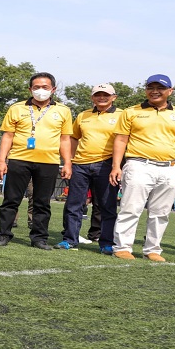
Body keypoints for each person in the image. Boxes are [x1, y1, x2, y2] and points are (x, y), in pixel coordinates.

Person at [109, 74, 175, 262]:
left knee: (161, 212)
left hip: (169, 167)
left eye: (160, 88)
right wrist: (116, 166)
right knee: (130, 208)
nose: (155, 91)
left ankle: (153, 249)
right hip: (139, 164)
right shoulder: (131, 112)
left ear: (170, 91)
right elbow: (121, 139)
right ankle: (122, 247)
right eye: (150, 87)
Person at [0, 72, 73, 250]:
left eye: (45, 87)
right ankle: (3, 234)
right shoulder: (16, 108)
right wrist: (1, 160)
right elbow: (8, 135)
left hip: (49, 162)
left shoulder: (63, 110)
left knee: (42, 202)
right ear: (30, 89)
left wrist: (67, 162)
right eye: (36, 87)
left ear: (53, 89)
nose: (40, 91)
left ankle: (39, 238)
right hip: (19, 159)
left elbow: (65, 139)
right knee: (11, 199)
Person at [55, 84, 122, 254]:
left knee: (106, 206)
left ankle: (106, 242)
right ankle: (70, 240)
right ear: (92, 97)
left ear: (114, 97)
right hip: (80, 165)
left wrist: (117, 166)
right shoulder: (83, 115)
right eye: (97, 94)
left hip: (106, 164)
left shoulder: (123, 115)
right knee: (73, 204)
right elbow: (74, 138)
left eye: (105, 95)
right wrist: (68, 161)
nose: (101, 97)